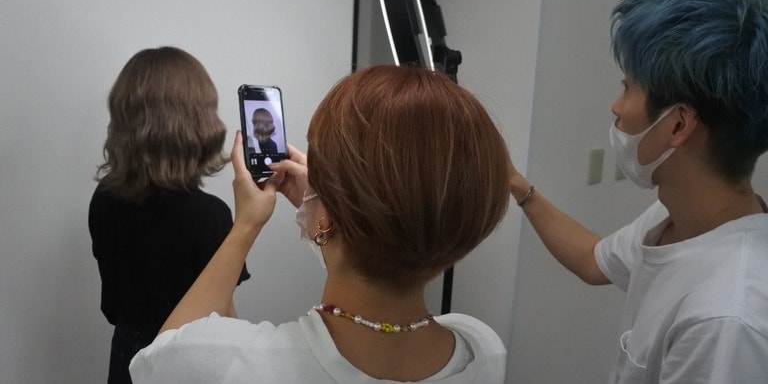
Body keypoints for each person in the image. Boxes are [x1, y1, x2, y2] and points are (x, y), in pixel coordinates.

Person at [129, 65, 511, 383]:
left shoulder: (234, 366)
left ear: (328, 215)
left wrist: (246, 224)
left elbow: (160, 357)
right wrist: (328, 212)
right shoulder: (482, 350)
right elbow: (388, 251)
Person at [509, 0, 768, 382]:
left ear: (678, 124)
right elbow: (593, 260)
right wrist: (514, 182)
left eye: (628, 87)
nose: (616, 106)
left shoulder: (725, 319)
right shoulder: (673, 218)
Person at [89, 47, 250, 384]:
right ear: (199, 122)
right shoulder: (209, 216)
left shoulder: (104, 196)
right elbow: (222, 312)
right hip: (187, 362)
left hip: (127, 351)